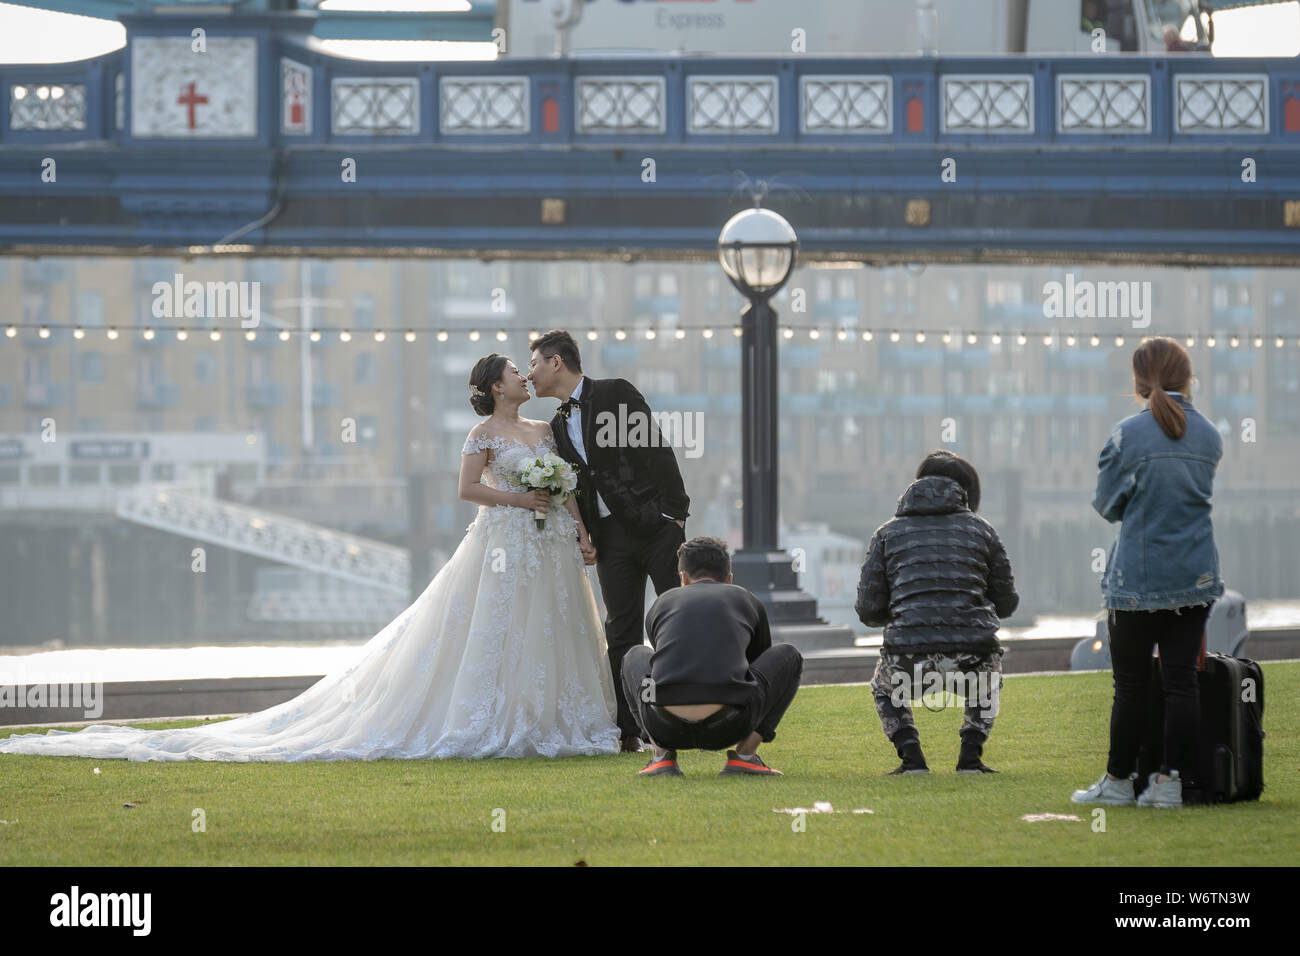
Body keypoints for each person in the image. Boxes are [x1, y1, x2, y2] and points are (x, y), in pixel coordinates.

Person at [0, 354, 621, 761]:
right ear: (494, 387)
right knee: (495, 627)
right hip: (503, 541)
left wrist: (580, 531)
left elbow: (564, 486)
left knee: (549, 629)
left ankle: (554, 720)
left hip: (550, 545)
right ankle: (497, 720)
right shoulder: (482, 436)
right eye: (514, 370)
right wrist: (519, 497)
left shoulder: (545, 433)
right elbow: (467, 491)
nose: (523, 375)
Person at [1072, 337, 1222, 809]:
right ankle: (1169, 784)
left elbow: (1107, 506)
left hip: (1136, 582)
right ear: (1187, 377)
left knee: (1131, 686)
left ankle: (1118, 782)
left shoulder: (1125, 436)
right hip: (1196, 575)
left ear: (1137, 382)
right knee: (1181, 683)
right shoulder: (1210, 436)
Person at [528, 329, 691, 753]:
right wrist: (585, 535)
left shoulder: (615, 392)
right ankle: (630, 728)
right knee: (621, 630)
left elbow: (655, 447)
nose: (530, 375)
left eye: (534, 364)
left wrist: (674, 514)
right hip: (610, 541)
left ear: (556, 362)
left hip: (656, 528)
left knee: (675, 619)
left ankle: (690, 709)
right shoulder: (555, 426)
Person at [856, 450, 1018, 775]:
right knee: (986, 679)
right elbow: (1007, 603)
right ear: (969, 491)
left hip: (909, 656)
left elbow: (868, 609)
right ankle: (970, 757)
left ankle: (912, 758)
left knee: (884, 689)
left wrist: (905, 611)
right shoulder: (983, 531)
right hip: (972, 656)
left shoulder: (887, 533)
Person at [620, 536, 803, 777]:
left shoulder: (662, 603)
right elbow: (758, 662)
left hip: (664, 724)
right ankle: (745, 756)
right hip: (730, 724)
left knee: (634, 656)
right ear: (729, 579)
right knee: (789, 655)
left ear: (683, 578)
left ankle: (660, 755)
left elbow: (660, 666)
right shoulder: (746, 599)